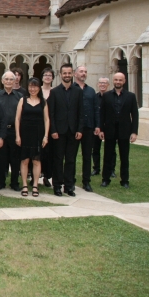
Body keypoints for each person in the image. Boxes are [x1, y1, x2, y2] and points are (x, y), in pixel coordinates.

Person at [48, 64, 83, 197]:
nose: (67, 75)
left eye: (69, 73)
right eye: (64, 73)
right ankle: (57, 185)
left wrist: (80, 129)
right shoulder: (55, 92)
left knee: (71, 159)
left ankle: (69, 186)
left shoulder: (78, 91)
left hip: (73, 131)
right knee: (58, 159)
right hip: (59, 132)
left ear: (73, 74)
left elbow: (81, 112)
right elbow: (51, 113)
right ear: (60, 74)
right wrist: (53, 130)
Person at [99, 72, 139, 189]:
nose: (118, 82)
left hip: (124, 130)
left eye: (120, 80)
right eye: (116, 80)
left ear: (124, 81)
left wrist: (134, 132)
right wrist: (101, 129)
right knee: (108, 156)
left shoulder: (131, 96)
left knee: (124, 157)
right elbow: (102, 114)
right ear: (113, 81)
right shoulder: (106, 96)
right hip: (109, 130)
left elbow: (135, 115)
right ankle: (105, 179)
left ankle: (124, 180)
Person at [15, 78, 49, 198]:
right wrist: (18, 135)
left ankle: (35, 185)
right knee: (24, 160)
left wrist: (46, 136)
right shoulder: (22, 100)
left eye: (35, 86)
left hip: (38, 134)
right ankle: (24, 184)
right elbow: (17, 119)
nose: (32, 89)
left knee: (36, 160)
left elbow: (46, 119)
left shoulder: (43, 101)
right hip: (25, 133)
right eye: (30, 86)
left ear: (39, 88)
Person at [0, 71, 23, 191]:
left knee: (15, 158)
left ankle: (15, 182)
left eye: (11, 79)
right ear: (2, 81)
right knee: (1, 158)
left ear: (15, 81)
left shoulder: (19, 97)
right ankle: (1, 182)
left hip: (14, 131)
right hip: (1, 132)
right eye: (7, 79)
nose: (9, 81)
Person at [74, 66, 100, 192]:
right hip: (74, 128)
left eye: (85, 71)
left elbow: (96, 109)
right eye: (81, 71)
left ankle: (86, 181)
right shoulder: (71, 89)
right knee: (71, 156)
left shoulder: (91, 91)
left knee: (87, 156)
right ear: (75, 74)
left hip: (88, 127)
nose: (83, 73)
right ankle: (70, 180)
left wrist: (97, 125)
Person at [92, 77, 110, 177]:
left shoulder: (111, 97)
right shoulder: (95, 97)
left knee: (110, 150)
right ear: (98, 85)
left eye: (105, 83)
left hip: (108, 127)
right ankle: (96, 168)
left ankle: (110, 169)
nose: (102, 85)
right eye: (101, 83)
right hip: (97, 127)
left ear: (108, 85)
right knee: (95, 149)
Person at [40, 67, 55, 187]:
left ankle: (47, 176)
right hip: (38, 124)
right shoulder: (36, 91)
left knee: (49, 152)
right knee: (37, 151)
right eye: (45, 75)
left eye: (50, 75)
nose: (47, 77)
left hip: (51, 125)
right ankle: (35, 174)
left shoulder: (55, 92)